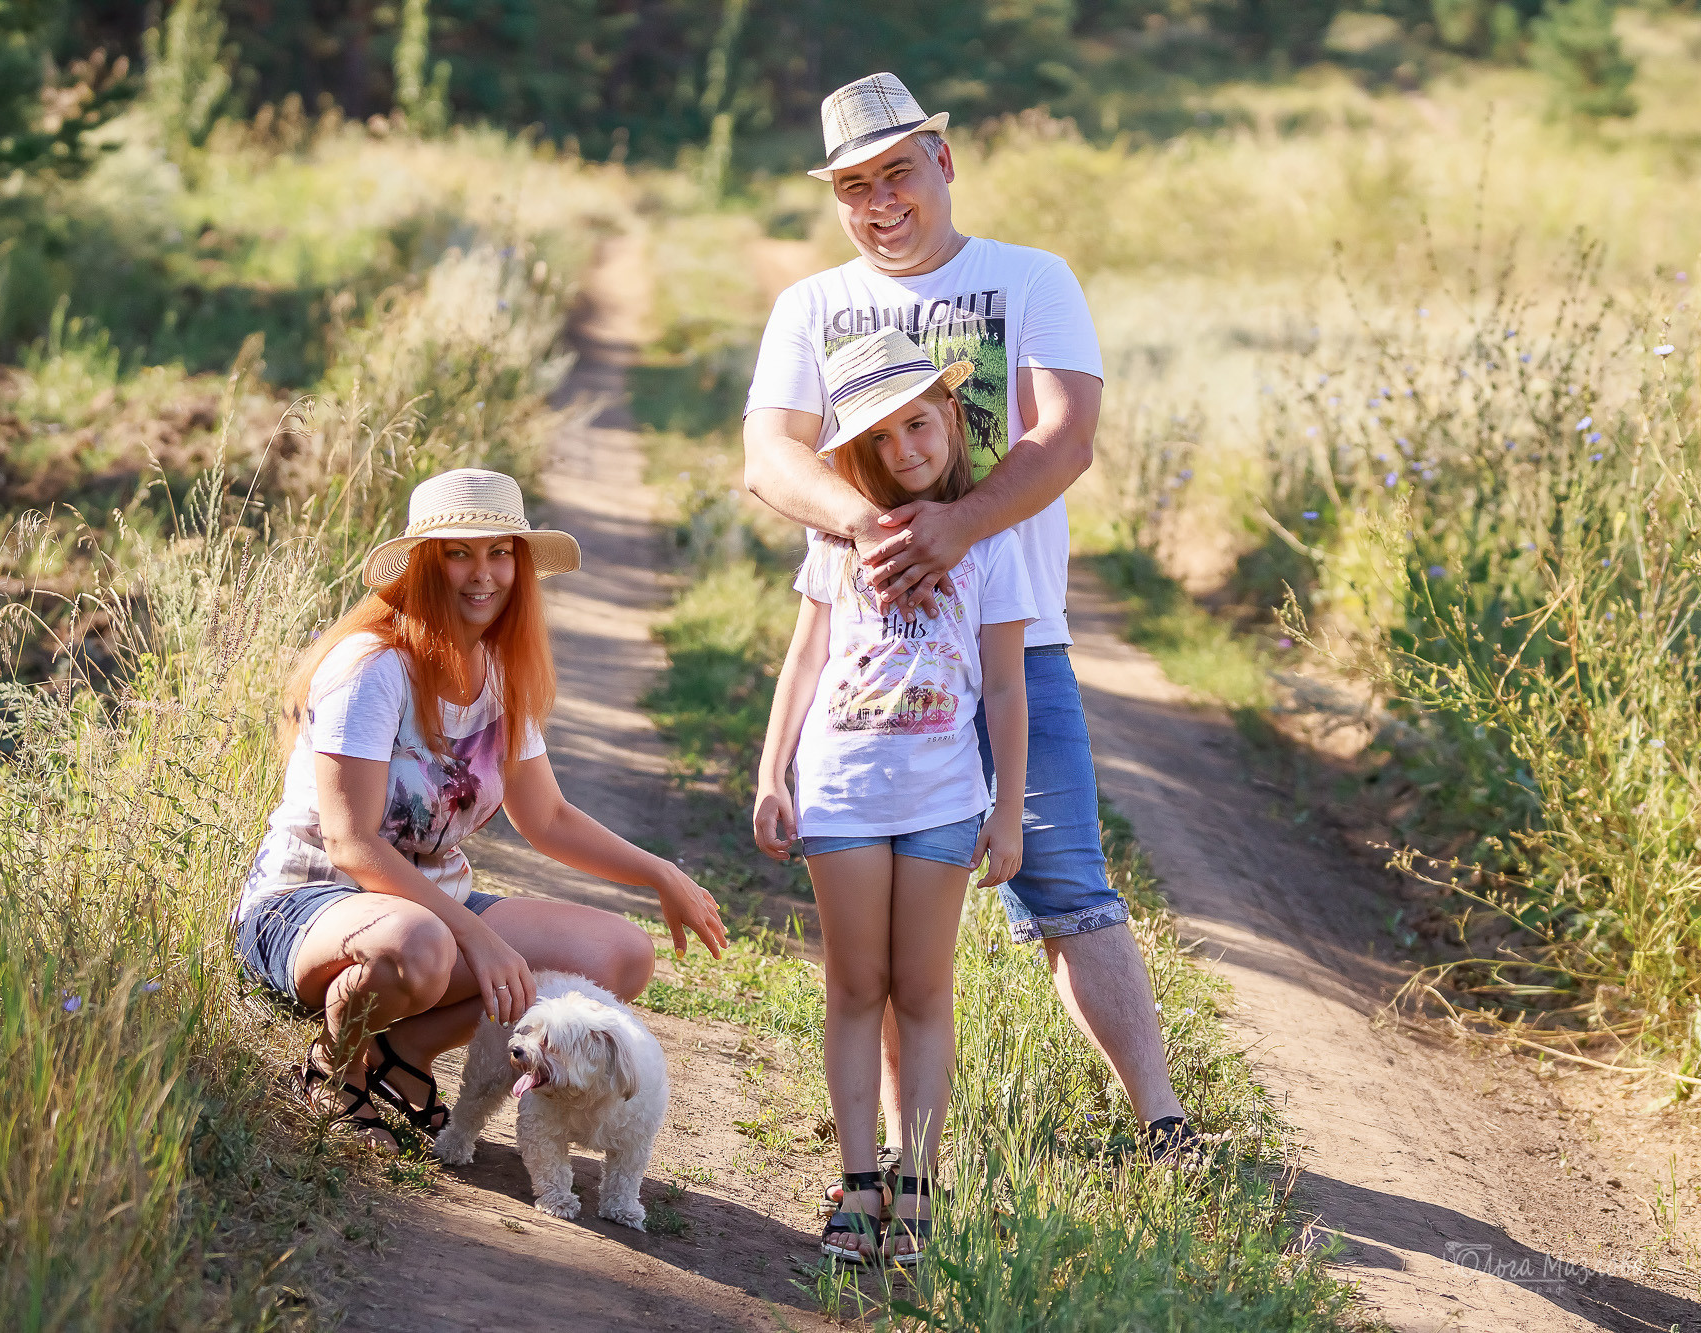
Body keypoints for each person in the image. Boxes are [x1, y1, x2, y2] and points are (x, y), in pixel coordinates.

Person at [742, 72, 1194, 1189]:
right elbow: (769, 456)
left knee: (1065, 879)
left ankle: (1163, 1124)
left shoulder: (1028, 281)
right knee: (891, 924)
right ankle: (902, 1163)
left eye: (896, 172)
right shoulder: (810, 306)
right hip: (867, 671)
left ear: (942, 162)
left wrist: (953, 529)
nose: (878, 201)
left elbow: (1065, 435)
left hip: (1009, 638)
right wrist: (863, 526)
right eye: (853, 186)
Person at [235, 467, 728, 1149]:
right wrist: (477, 933)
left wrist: (661, 874)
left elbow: (547, 817)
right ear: (422, 566)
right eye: (459, 553)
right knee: (426, 944)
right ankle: (333, 1066)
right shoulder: (371, 667)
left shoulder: (497, 673)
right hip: (310, 902)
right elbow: (351, 843)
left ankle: (399, 1052)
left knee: (620, 954)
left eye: (499, 552)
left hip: (426, 910)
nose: (483, 573)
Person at [753, 327, 1036, 1267]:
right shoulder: (836, 539)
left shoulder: (995, 540)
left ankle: (915, 1179)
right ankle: (856, 1180)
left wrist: (1006, 808)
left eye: (920, 424)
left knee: (921, 988)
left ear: (951, 417)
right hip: (841, 794)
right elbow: (805, 657)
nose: (906, 448)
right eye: (882, 437)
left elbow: (1004, 685)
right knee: (854, 986)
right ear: (859, 453)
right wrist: (772, 770)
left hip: (944, 798)